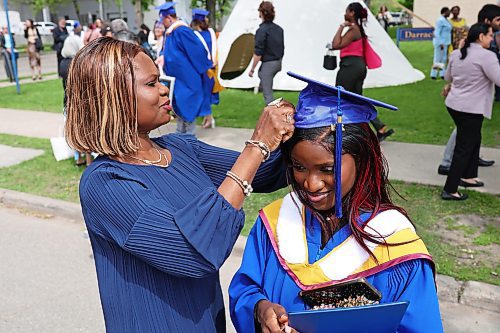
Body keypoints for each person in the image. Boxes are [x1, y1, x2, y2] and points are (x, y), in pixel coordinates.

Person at [64, 37, 295, 332]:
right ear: (115, 97)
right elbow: (193, 253)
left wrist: (305, 123)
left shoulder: (181, 149)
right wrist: (257, 144)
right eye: (151, 84)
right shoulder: (104, 183)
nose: (164, 90)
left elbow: (268, 172)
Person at [229, 72, 443, 333]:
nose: (311, 184)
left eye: (328, 169)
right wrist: (259, 309)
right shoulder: (275, 223)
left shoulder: (395, 245)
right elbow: (246, 287)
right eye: (299, 166)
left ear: (363, 161)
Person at [437, 5, 500, 175]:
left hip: (466, 100)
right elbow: (461, 68)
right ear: (486, 23)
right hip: (469, 102)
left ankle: (470, 168)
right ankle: (449, 168)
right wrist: (453, 83)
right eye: (498, 20)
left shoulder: (482, 44)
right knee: (464, 136)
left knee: (470, 135)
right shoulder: (479, 46)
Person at [331, 2, 394, 142]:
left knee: (341, 98)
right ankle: (378, 128)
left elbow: (336, 44)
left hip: (350, 67)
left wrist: (341, 26)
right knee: (357, 101)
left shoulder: (353, 30)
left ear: (352, 13)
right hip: (359, 67)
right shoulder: (358, 29)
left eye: (346, 11)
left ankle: (346, 132)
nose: (345, 13)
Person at [155, 2, 213, 134]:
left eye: (162, 20)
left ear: (169, 18)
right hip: (178, 81)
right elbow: (168, 50)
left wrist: (204, 69)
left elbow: (198, 52)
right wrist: (163, 57)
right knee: (180, 110)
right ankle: (181, 140)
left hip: (188, 80)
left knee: (187, 109)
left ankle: (189, 142)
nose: (161, 24)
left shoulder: (182, 31)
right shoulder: (171, 33)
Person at [191, 8, 222, 129]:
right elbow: (215, 49)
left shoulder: (194, 35)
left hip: (203, 68)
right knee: (207, 93)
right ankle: (208, 118)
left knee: (205, 93)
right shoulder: (211, 32)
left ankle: (209, 118)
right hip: (212, 66)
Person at [248, 1, 284, 105]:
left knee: (268, 95)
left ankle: (274, 116)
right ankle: (262, 84)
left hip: (269, 64)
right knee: (262, 74)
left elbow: (258, 53)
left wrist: (252, 69)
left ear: (261, 13)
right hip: (278, 62)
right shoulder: (279, 29)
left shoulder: (262, 30)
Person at [430, 7, 452, 80]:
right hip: (440, 43)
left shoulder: (446, 20)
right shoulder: (440, 20)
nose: (450, 13)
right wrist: (440, 43)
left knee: (443, 58)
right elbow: (437, 32)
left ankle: (442, 73)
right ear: (444, 12)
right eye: (448, 12)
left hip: (446, 42)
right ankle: (434, 74)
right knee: (437, 58)